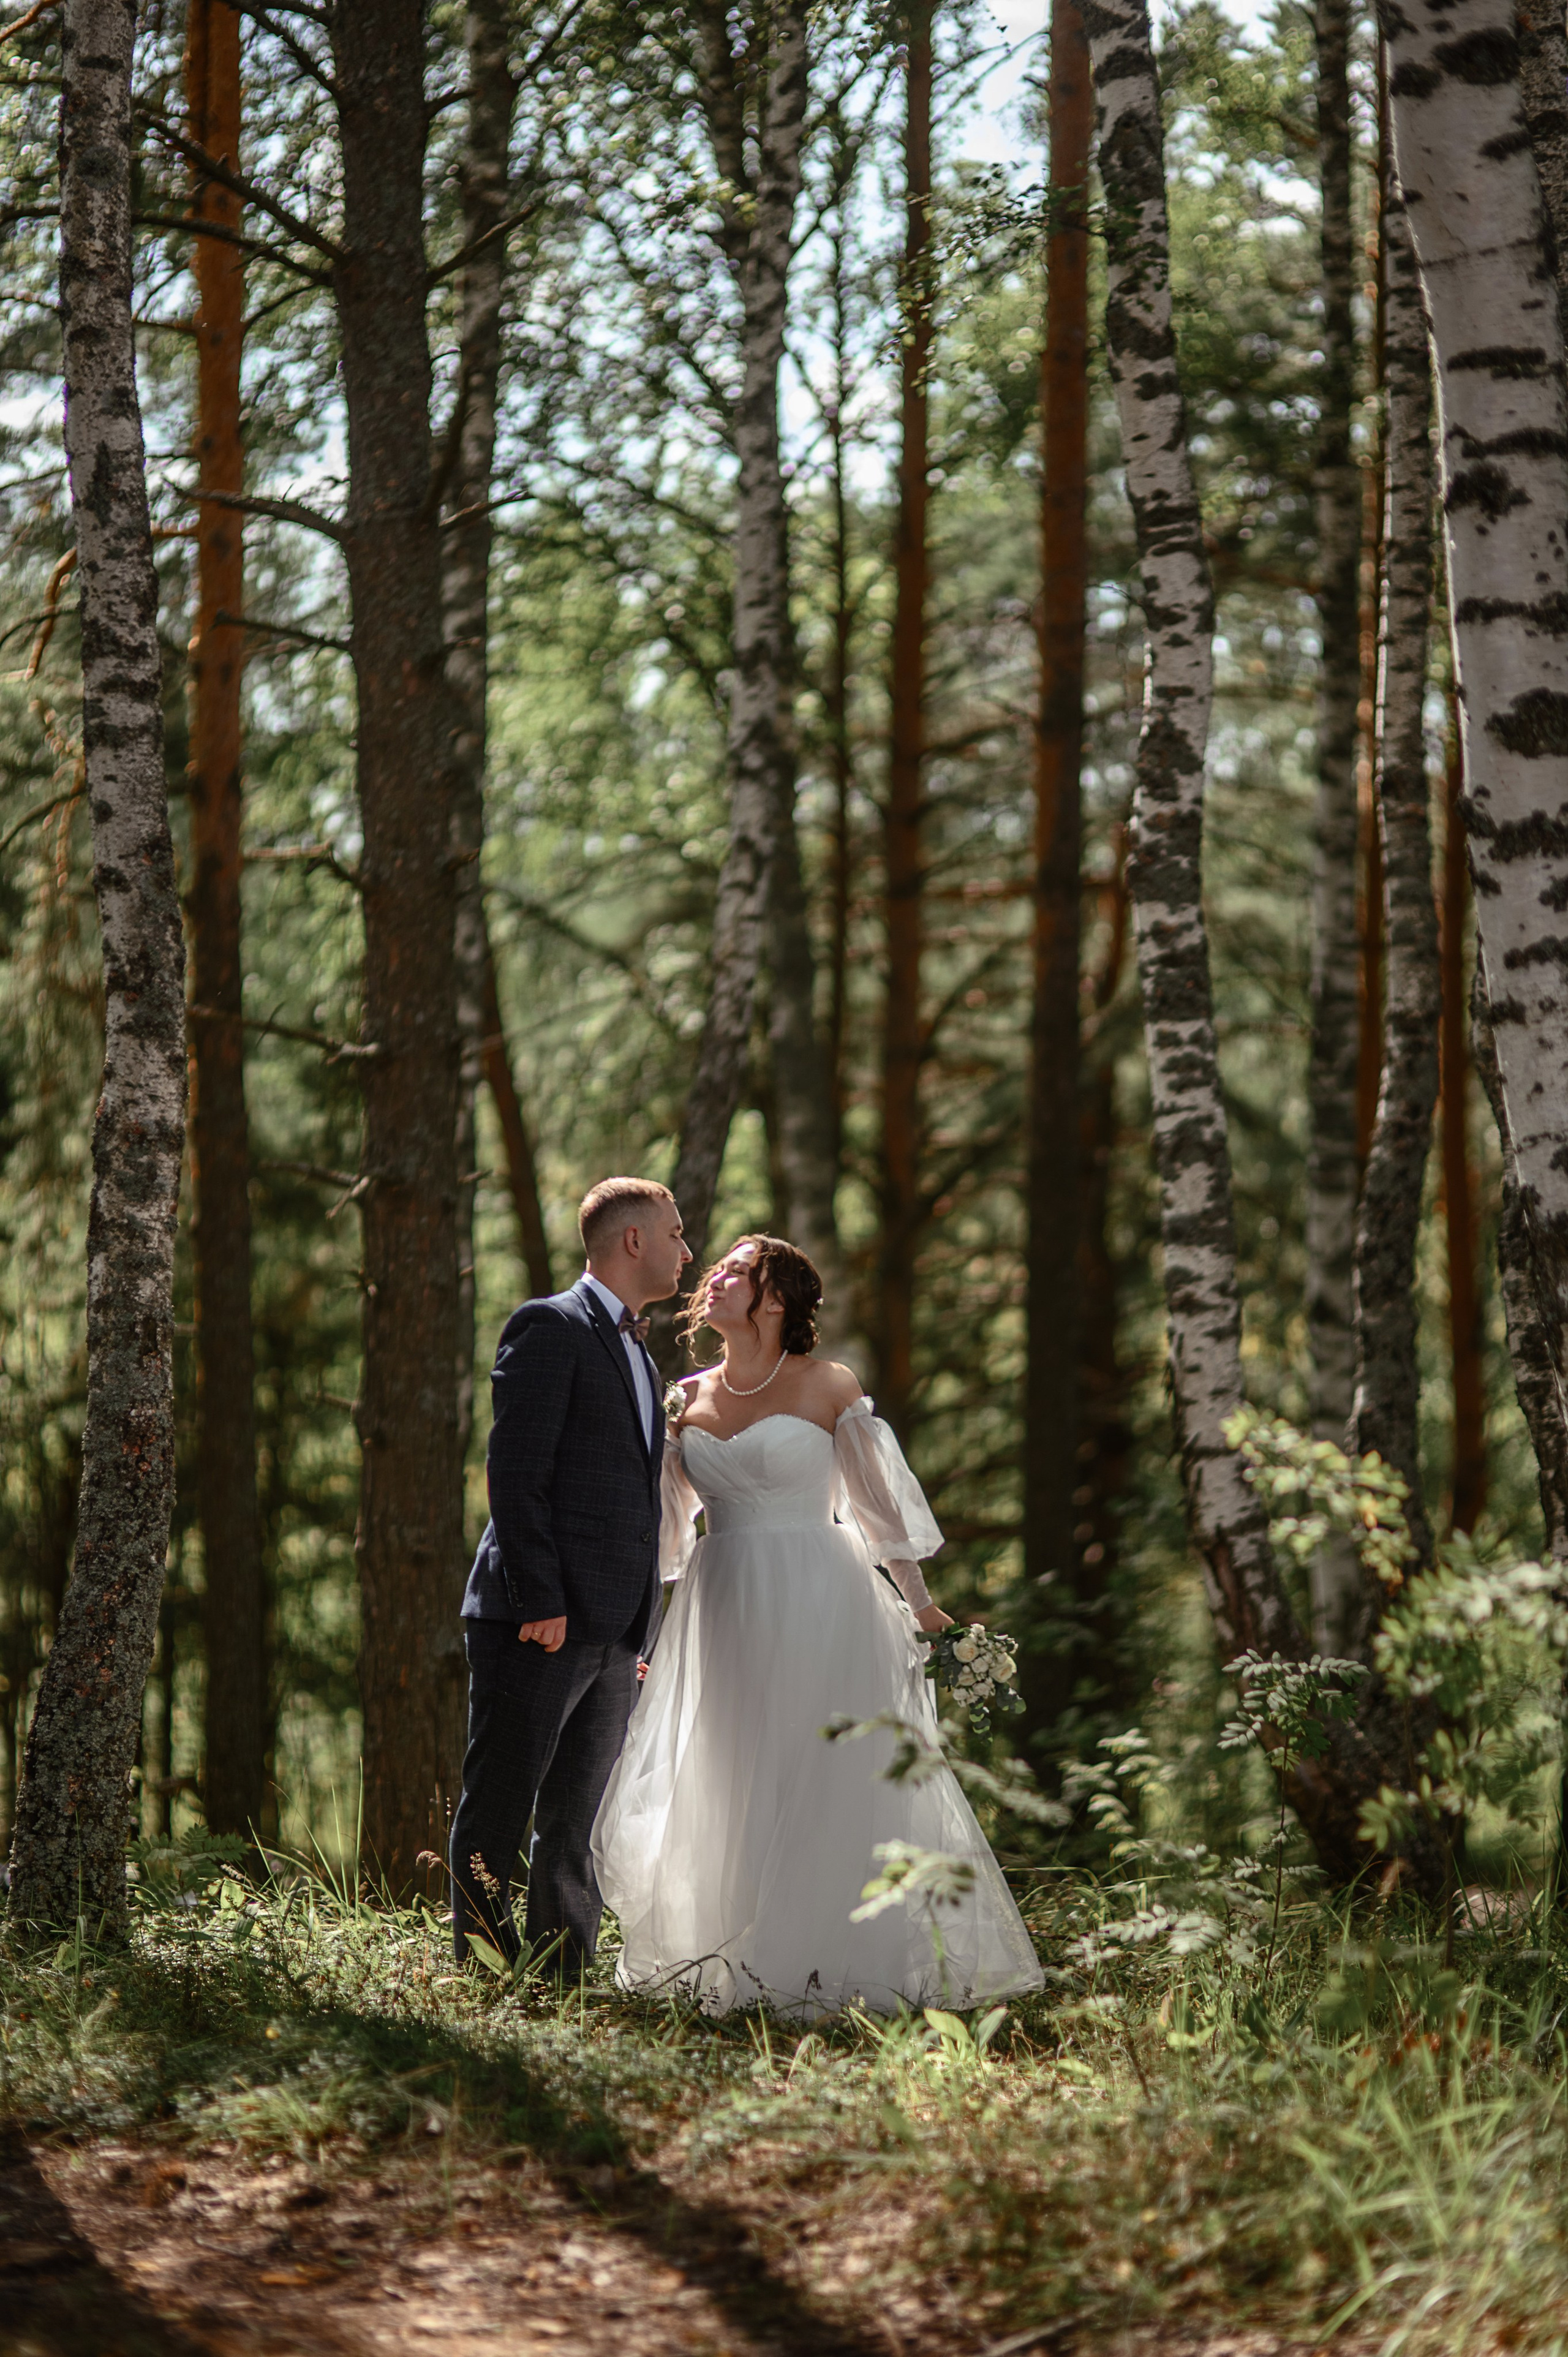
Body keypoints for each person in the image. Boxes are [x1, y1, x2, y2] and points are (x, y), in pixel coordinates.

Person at [592, 1234, 1044, 2016]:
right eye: (718, 1268)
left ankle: (837, 1967)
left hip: (822, 1595)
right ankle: (734, 1962)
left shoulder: (828, 1383)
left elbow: (878, 1510)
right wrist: (639, 1623)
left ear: (775, 1299)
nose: (714, 1277)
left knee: (824, 1768)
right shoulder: (683, 1398)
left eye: (738, 1270)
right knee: (730, 1768)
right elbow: (663, 1531)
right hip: (722, 1601)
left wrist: (922, 1606)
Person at [448, 1177, 691, 1970]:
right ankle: (486, 1971)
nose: (686, 1250)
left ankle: (563, 1978)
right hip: (540, 1622)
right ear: (633, 1240)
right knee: (501, 1804)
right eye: (675, 1234)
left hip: (615, 1628)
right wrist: (540, 1600)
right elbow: (517, 1474)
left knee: (576, 1819)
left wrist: (641, 1626)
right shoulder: (548, 1325)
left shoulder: (640, 1351)